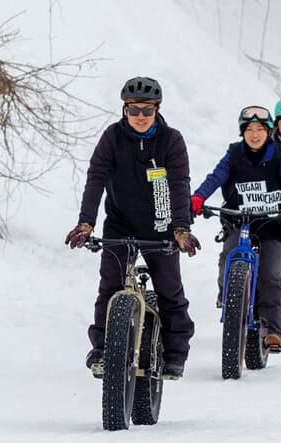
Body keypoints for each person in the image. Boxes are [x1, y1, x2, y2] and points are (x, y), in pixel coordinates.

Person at [65, 76, 200, 380]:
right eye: (134, 110)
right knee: (110, 287)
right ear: (124, 110)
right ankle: (102, 350)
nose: (140, 117)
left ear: (157, 110)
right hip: (121, 224)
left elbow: (180, 185)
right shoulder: (112, 138)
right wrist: (86, 222)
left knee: (169, 290)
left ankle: (175, 353)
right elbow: (95, 179)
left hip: (162, 226)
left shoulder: (171, 140)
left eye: (147, 111)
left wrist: (181, 229)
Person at [190, 105, 281, 352]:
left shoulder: (277, 154)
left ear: (268, 131)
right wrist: (199, 196)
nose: (254, 134)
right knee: (228, 256)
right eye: (249, 130)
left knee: (271, 274)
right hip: (240, 219)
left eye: (260, 129)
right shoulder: (234, 154)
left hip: (272, 221)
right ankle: (229, 294)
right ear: (242, 132)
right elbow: (216, 176)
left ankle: (274, 330)